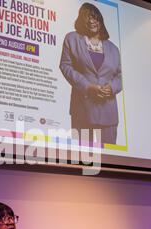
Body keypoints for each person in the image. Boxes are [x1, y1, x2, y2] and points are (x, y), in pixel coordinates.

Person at [60, 2, 122, 145]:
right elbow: (65, 66)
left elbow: (120, 76)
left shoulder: (113, 48)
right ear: (81, 20)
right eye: (87, 18)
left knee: (109, 159)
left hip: (108, 112)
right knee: (82, 157)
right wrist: (88, 86)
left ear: (100, 20)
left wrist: (111, 87)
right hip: (82, 108)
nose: (92, 21)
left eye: (95, 18)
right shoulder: (72, 38)